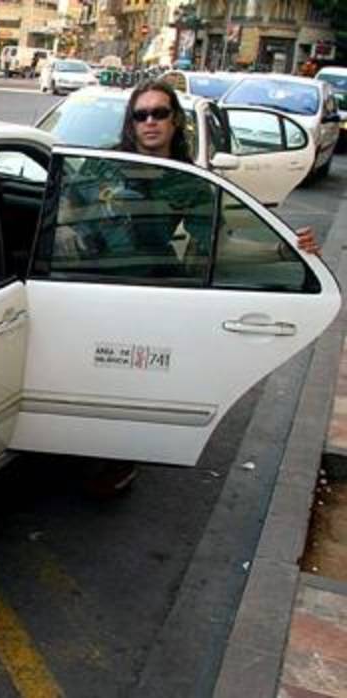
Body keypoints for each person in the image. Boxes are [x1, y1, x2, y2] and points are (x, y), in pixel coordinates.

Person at [76, 80, 320, 496]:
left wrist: (285, 250)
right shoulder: (104, 162)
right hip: (86, 284)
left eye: (159, 113)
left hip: (154, 293)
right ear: (131, 123)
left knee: (132, 382)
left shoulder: (189, 182)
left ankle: (116, 461)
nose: (149, 122)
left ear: (175, 122)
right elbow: (71, 207)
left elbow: (221, 246)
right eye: (141, 114)